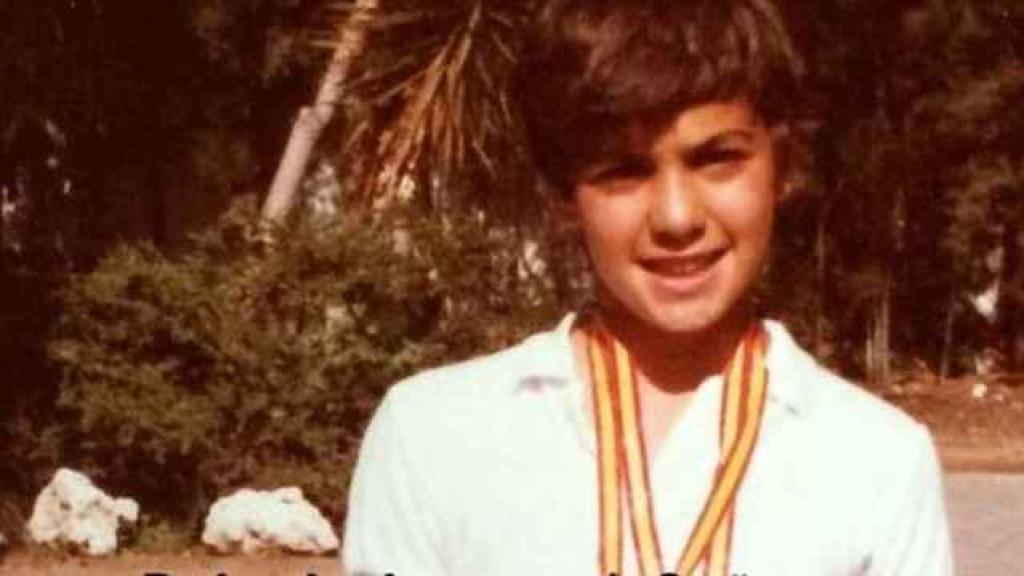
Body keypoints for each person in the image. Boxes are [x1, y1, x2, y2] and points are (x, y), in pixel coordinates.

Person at [342, 0, 954, 574]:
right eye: (623, 171)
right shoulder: (435, 438)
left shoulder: (878, 461)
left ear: (784, 168)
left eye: (717, 159)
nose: (677, 217)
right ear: (561, 197)